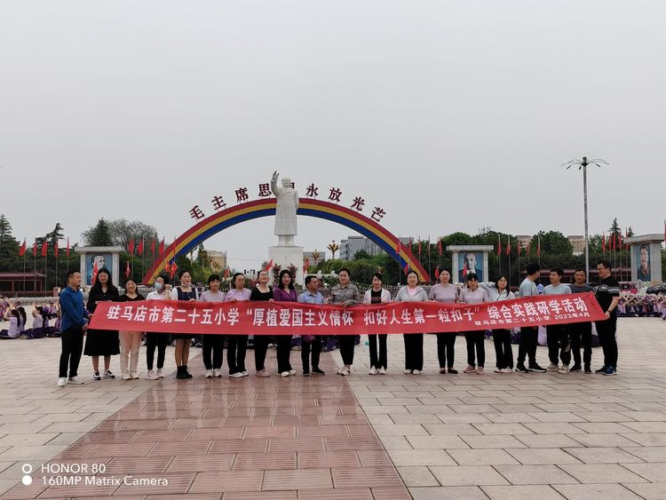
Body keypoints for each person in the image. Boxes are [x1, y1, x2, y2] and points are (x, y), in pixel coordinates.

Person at [84, 268, 120, 380]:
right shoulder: (94, 290)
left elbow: (119, 304)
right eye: (101, 276)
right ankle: (96, 371)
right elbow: (89, 305)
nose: (103, 278)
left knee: (108, 346)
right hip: (96, 321)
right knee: (95, 346)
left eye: (104, 276)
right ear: (98, 277)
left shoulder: (113, 290)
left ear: (108, 277)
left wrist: (111, 303)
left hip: (109, 322)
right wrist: (96, 303)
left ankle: (106, 370)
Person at [57, 271, 89, 386]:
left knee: (77, 351)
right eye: (77, 277)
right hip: (68, 327)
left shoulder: (79, 293)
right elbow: (71, 311)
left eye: (80, 277)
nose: (79, 279)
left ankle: (73, 375)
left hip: (78, 328)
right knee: (66, 352)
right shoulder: (65, 293)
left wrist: (88, 315)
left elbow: (81, 308)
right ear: (70, 279)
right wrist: (83, 322)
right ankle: (62, 376)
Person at [395, 270, 428, 375]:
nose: (412, 279)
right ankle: (409, 366)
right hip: (407, 321)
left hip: (418, 320)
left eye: (414, 277)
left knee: (418, 343)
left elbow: (427, 305)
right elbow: (396, 303)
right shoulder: (402, 290)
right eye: (410, 277)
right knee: (408, 343)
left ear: (417, 279)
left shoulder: (422, 291)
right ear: (407, 279)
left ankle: (417, 367)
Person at [515, 263, 547, 373]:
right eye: (539, 271)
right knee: (525, 341)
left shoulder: (531, 283)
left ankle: (532, 363)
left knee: (532, 341)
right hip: (528, 318)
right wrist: (532, 320)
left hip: (532, 317)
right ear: (536, 272)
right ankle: (520, 364)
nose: (539, 273)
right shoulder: (527, 284)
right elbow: (527, 303)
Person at [329, 268, 361, 376]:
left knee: (349, 342)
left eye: (345, 275)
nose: (342, 277)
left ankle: (348, 366)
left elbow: (358, 301)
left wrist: (349, 302)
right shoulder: (334, 288)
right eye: (341, 275)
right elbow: (331, 301)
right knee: (341, 343)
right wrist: (329, 301)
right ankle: (344, 364)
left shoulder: (353, 288)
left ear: (349, 277)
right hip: (339, 319)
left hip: (350, 319)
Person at [429, 270, 459, 374]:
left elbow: (457, 301)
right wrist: (432, 302)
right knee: (441, 343)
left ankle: (450, 366)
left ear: (450, 276)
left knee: (451, 343)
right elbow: (429, 301)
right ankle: (442, 366)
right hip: (440, 319)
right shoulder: (434, 288)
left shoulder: (455, 288)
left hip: (451, 319)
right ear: (439, 276)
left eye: (447, 274)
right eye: (443, 274)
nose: (445, 276)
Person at [170, 270, 199, 379]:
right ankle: (179, 369)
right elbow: (173, 305)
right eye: (185, 277)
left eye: (189, 277)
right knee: (180, 345)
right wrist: (186, 304)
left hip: (190, 321)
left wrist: (194, 303)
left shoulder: (194, 290)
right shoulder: (176, 290)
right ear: (180, 278)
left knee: (187, 345)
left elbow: (198, 305)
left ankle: (185, 368)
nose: (187, 279)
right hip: (179, 320)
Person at [544, 268, 573, 374]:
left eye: (554, 275)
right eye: (550, 275)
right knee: (551, 342)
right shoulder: (546, 289)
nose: (551, 276)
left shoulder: (566, 288)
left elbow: (570, 303)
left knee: (565, 342)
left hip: (563, 321)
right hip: (551, 320)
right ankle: (554, 363)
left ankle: (565, 364)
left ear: (560, 277)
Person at [594, 260, 621, 376]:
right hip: (600, 316)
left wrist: (608, 311)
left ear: (608, 269)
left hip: (608, 315)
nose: (599, 271)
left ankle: (612, 366)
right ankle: (606, 364)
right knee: (603, 340)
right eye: (598, 269)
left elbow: (615, 298)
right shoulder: (601, 282)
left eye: (601, 268)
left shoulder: (612, 281)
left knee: (610, 340)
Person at [459, 274, 489, 374]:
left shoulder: (483, 292)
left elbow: (487, 304)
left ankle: (481, 365)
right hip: (468, 321)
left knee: (480, 344)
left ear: (477, 282)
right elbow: (459, 303)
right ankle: (471, 364)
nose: (472, 283)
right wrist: (461, 304)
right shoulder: (463, 292)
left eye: (474, 280)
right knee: (469, 344)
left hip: (479, 321)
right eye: (470, 280)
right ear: (467, 282)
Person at [298, 275, 327, 376]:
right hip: (306, 325)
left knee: (316, 347)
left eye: (317, 282)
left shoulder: (320, 295)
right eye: (314, 282)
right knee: (305, 348)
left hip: (317, 325)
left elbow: (323, 308)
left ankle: (315, 367)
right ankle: (305, 368)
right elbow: (299, 311)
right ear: (308, 284)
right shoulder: (302, 297)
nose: (316, 284)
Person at [363, 273, 391, 375]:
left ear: (381, 282)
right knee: (372, 343)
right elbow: (364, 306)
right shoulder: (367, 293)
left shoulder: (386, 293)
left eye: (378, 280)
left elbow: (391, 306)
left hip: (382, 320)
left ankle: (383, 365)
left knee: (383, 343)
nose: (376, 282)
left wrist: (386, 303)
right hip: (371, 320)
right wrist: (365, 304)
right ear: (372, 281)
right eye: (374, 280)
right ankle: (373, 365)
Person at [117, 279, 145, 380]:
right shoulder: (121, 298)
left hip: (137, 327)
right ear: (125, 286)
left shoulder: (141, 298)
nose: (130, 286)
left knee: (135, 350)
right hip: (124, 327)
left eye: (133, 284)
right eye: (128, 284)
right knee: (124, 350)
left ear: (136, 285)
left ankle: (133, 371)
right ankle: (124, 371)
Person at [199, 274, 226, 378]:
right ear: (209, 284)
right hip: (207, 325)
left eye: (217, 281)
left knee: (218, 347)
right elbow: (199, 308)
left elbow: (226, 308)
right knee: (207, 348)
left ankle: (217, 368)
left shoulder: (223, 295)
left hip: (219, 324)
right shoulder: (204, 295)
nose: (215, 283)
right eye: (213, 281)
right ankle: (208, 368)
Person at [225, 273, 251, 378]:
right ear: (234, 281)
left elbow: (254, 305)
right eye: (239, 280)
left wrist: (248, 303)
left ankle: (241, 367)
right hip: (233, 323)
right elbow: (224, 307)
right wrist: (230, 302)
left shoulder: (248, 292)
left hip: (244, 323)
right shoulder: (230, 293)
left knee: (242, 346)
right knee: (232, 346)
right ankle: (232, 369)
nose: (241, 281)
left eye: (242, 279)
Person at [145, 275, 171, 380]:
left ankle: (159, 368)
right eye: (157, 281)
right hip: (152, 325)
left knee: (162, 348)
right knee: (150, 348)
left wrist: (167, 291)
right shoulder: (150, 295)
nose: (157, 283)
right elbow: (146, 308)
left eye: (160, 281)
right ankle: (149, 370)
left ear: (165, 284)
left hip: (163, 325)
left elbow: (168, 304)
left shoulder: (168, 294)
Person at [569, 269, 594, 373]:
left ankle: (587, 365)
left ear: (585, 277)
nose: (579, 277)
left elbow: (593, 303)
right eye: (577, 275)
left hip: (586, 320)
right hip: (573, 320)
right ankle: (577, 364)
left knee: (587, 344)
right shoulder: (569, 288)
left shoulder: (589, 289)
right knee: (574, 343)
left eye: (582, 275)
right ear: (574, 276)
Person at [273, 269, 297, 377]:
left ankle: (287, 365)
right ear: (281, 279)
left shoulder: (293, 290)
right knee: (281, 344)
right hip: (281, 320)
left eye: (288, 277)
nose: (286, 279)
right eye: (284, 277)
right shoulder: (277, 290)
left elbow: (296, 304)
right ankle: (281, 368)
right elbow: (277, 306)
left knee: (288, 344)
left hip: (290, 321)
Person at [250, 270, 274, 377]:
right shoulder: (255, 291)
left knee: (265, 345)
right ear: (258, 278)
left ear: (268, 277)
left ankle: (262, 366)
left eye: (266, 274)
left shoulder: (271, 290)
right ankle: (258, 369)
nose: (264, 276)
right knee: (259, 345)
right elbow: (251, 305)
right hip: (259, 321)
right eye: (262, 275)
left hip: (268, 321)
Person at [492, 276, 515, 373]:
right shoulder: (493, 293)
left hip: (505, 322)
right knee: (497, 344)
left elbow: (513, 308)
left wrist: (511, 323)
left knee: (506, 344)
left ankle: (509, 365)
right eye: (501, 280)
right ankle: (500, 365)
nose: (503, 282)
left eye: (505, 280)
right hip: (495, 322)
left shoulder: (510, 294)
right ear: (497, 282)